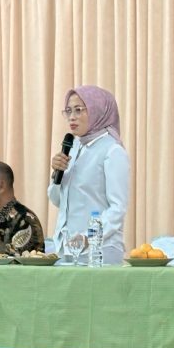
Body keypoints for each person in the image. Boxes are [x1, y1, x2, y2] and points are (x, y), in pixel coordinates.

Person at [48, 85, 130, 264]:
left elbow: (118, 208)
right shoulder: (73, 148)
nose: (72, 117)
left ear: (98, 111)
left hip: (100, 250)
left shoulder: (112, 150)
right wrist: (56, 175)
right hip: (67, 248)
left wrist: (88, 237)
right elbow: (57, 200)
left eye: (78, 110)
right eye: (68, 111)